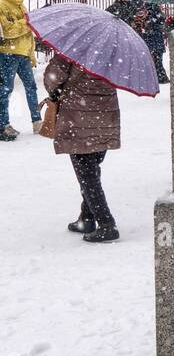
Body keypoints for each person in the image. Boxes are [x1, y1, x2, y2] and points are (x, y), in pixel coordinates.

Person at [43, 52, 121, 242]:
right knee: (91, 168)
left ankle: (106, 223)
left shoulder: (71, 48)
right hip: (106, 114)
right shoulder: (113, 50)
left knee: (86, 172)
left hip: (78, 116)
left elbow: (53, 79)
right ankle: (86, 218)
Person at [0, 0, 43, 139]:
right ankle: (3, 124)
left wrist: (31, 54)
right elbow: (8, 31)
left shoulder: (22, 6)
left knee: (31, 88)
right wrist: (26, 22)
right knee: (5, 90)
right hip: (8, 54)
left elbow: (27, 34)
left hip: (23, 54)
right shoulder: (3, 6)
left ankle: (37, 121)